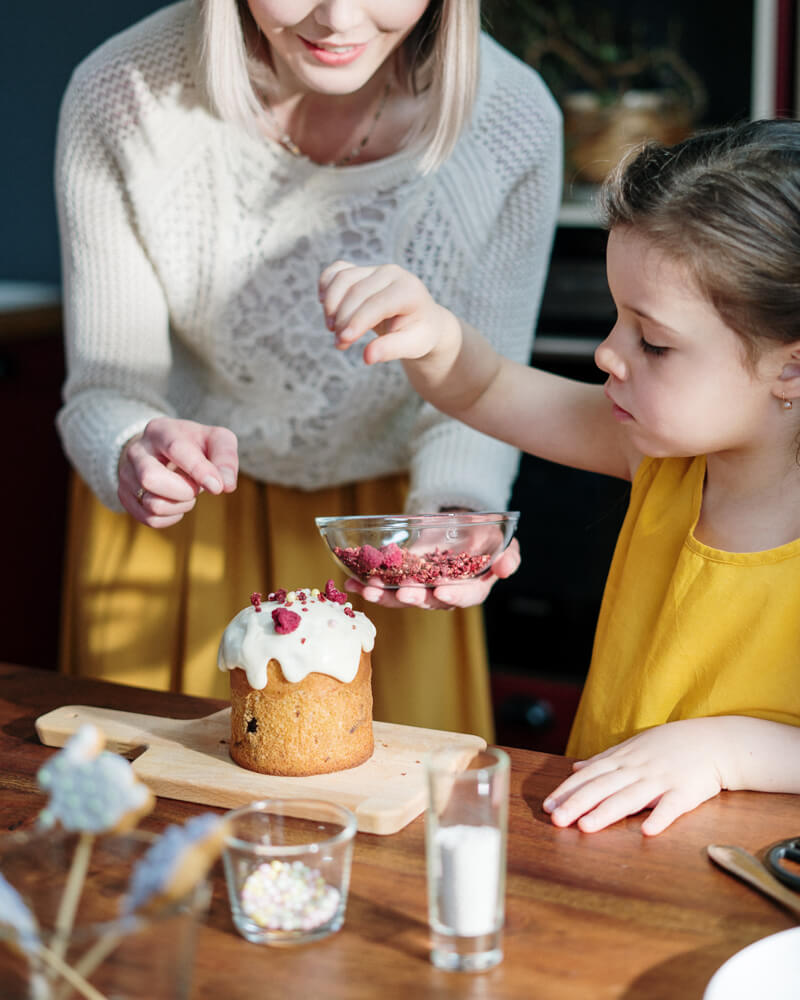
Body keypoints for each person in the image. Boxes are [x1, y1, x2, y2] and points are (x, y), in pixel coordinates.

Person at [54, 0, 562, 740]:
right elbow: (103, 389)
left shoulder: (513, 119)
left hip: (391, 541)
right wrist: (131, 444)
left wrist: (455, 518)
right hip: (182, 523)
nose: (338, 18)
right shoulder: (123, 91)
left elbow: (483, 387)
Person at [319, 118, 800, 833]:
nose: (608, 352)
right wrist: (430, 333)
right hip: (606, 856)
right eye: (617, 320)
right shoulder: (663, 460)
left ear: (791, 364)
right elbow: (485, 391)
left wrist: (724, 750)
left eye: (655, 342)